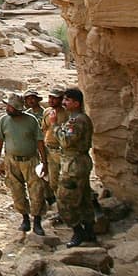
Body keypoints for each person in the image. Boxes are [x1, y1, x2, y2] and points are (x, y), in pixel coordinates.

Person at [0, 93, 48, 235]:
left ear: (18, 109)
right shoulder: (3, 121)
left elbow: (40, 142)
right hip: (11, 161)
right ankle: (25, 219)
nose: (7, 108)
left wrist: (45, 162)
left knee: (37, 191)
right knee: (16, 191)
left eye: (10, 107)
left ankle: (37, 221)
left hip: (31, 160)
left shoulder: (31, 121)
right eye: (7, 106)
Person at [55, 86, 97, 246]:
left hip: (74, 165)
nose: (64, 102)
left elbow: (66, 140)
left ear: (76, 103)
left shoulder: (78, 120)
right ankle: (90, 232)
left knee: (65, 200)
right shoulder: (76, 118)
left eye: (67, 100)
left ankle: (78, 232)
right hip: (78, 162)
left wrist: (55, 126)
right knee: (85, 197)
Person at [41, 88, 68, 205]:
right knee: (53, 181)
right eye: (50, 97)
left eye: (55, 98)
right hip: (49, 150)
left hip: (62, 151)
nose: (51, 100)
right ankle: (61, 204)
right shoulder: (47, 111)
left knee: (68, 180)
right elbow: (44, 129)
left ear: (61, 100)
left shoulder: (67, 114)